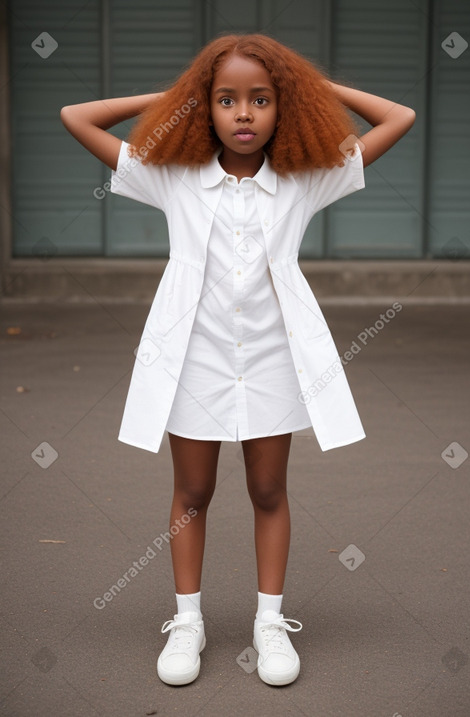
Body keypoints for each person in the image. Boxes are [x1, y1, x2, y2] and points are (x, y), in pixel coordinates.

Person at [60, 32, 415, 688]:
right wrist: (178, 97)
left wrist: (313, 86)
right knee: (192, 491)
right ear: (205, 107)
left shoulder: (305, 181)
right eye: (225, 100)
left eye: (262, 99)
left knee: (268, 489)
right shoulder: (171, 178)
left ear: (286, 108)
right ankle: (188, 621)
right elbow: (75, 117)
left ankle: (269, 621)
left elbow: (399, 118)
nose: (244, 113)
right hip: (193, 357)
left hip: (275, 356)